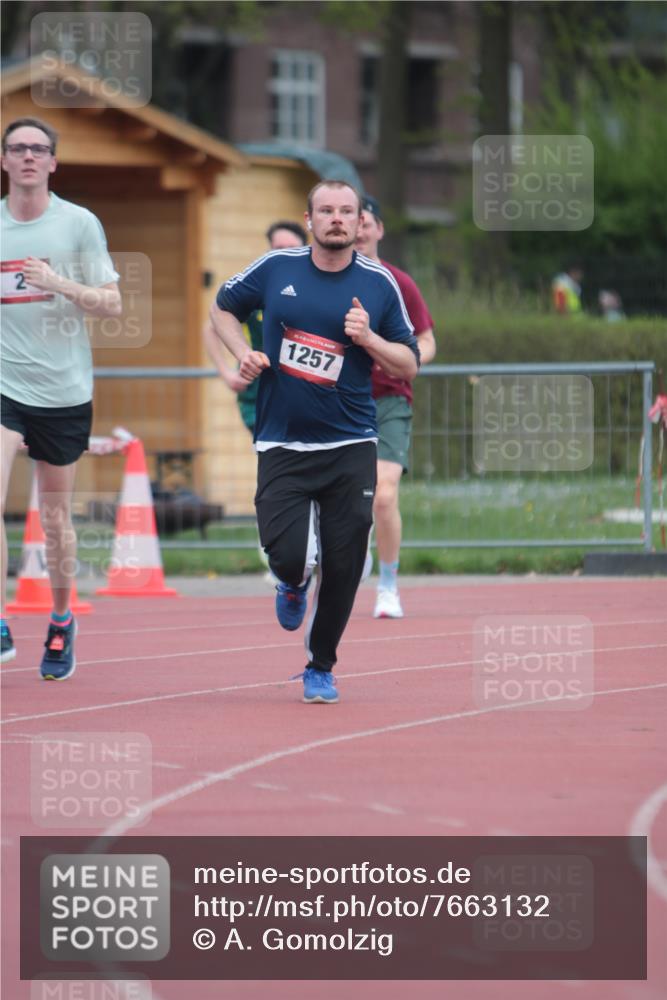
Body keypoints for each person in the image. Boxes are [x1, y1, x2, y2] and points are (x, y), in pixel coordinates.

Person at [208, 180, 419, 704]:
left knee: (345, 566)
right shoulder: (276, 268)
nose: (337, 219)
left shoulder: (379, 284)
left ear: (358, 221)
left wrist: (368, 338)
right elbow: (221, 308)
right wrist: (242, 352)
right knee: (287, 556)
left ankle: (320, 664)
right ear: (309, 219)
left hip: (351, 443)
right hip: (282, 442)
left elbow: (409, 362)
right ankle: (291, 582)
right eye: (326, 211)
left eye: (346, 211)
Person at [1, 117, 121, 677]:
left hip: (64, 392)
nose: (27, 156)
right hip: (5, 385)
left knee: (54, 520)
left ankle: (60, 617)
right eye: (17, 148)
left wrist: (57, 283)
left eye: (38, 149)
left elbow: (111, 305)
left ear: (52, 162)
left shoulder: (79, 224)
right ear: (4, 160)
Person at [355, 195, 436, 619]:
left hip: (387, 399)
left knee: (383, 497)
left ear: (379, 230)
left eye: (367, 221)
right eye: (354, 221)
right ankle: (346, 562)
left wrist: (404, 358)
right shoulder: (326, 278)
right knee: (344, 500)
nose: (360, 230)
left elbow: (426, 341)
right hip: (335, 400)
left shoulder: (399, 283)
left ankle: (388, 585)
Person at [203, 221, 308, 434]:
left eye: (292, 248)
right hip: (259, 396)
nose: (285, 254)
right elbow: (212, 326)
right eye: (278, 248)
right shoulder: (258, 288)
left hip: (306, 396)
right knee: (274, 458)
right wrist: (227, 372)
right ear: (269, 251)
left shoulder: (314, 288)